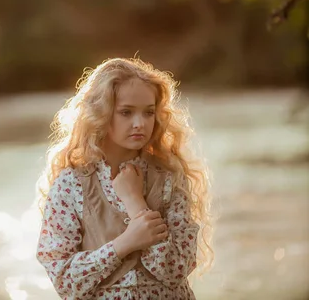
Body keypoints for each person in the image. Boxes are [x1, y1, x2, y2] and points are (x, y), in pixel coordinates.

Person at [36, 57, 213, 300]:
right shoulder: (72, 183)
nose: (140, 123)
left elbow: (176, 270)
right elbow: (65, 280)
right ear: (102, 113)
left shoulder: (169, 177)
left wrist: (135, 202)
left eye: (148, 112)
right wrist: (125, 243)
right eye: (126, 112)